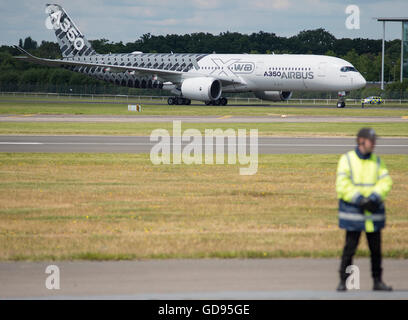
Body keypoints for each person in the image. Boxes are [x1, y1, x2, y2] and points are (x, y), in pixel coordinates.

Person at [335, 128, 393, 291]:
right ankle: (343, 281)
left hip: (373, 214)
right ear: (361, 140)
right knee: (349, 249)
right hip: (354, 214)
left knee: (376, 251)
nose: (373, 144)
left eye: (374, 141)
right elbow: (342, 185)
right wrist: (359, 199)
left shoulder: (377, 161)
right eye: (371, 140)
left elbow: (386, 182)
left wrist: (374, 198)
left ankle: (377, 281)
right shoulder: (347, 160)